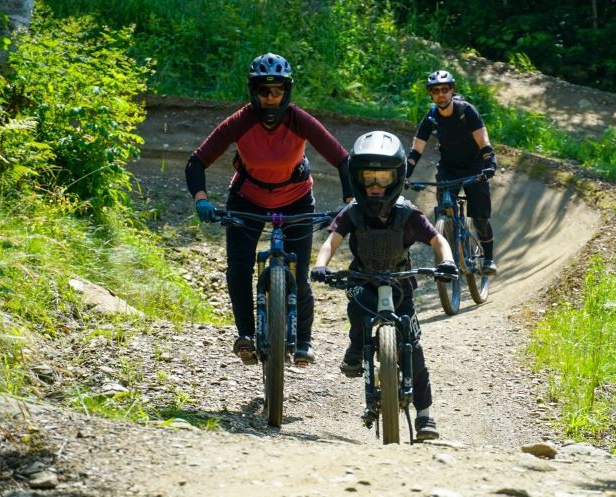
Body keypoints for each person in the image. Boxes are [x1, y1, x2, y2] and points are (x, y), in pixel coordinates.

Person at [185, 52, 353, 366]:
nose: (271, 97)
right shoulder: (241, 120)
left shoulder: (299, 120)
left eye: (277, 90)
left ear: (287, 91)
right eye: (264, 90)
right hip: (246, 199)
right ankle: (245, 335)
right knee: (238, 268)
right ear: (253, 91)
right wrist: (201, 200)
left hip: (297, 200)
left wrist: (349, 204)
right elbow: (197, 161)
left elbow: (342, 160)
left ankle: (303, 342)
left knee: (299, 275)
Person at [311, 130, 458, 441]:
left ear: (397, 178)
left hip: (400, 285)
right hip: (360, 282)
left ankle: (425, 417)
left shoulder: (408, 213)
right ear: (356, 178)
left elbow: (438, 240)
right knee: (357, 310)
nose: (375, 185)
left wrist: (446, 261)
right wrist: (321, 265)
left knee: (414, 350)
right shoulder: (353, 212)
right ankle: (355, 349)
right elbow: (331, 241)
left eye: (383, 177)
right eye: (368, 177)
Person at [405, 69, 499, 275]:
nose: (441, 94)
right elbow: (416, 151)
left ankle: (489, 259)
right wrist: (405, 173)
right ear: (431, 94)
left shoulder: (467, 111)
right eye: (436, 90)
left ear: (452, 90)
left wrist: (489, 163)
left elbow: (483, 142)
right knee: (445, 207)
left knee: (480, 219)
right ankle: (450, 245)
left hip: (474, 166)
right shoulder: (431, 117)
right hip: (449, 167)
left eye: (445, 90)